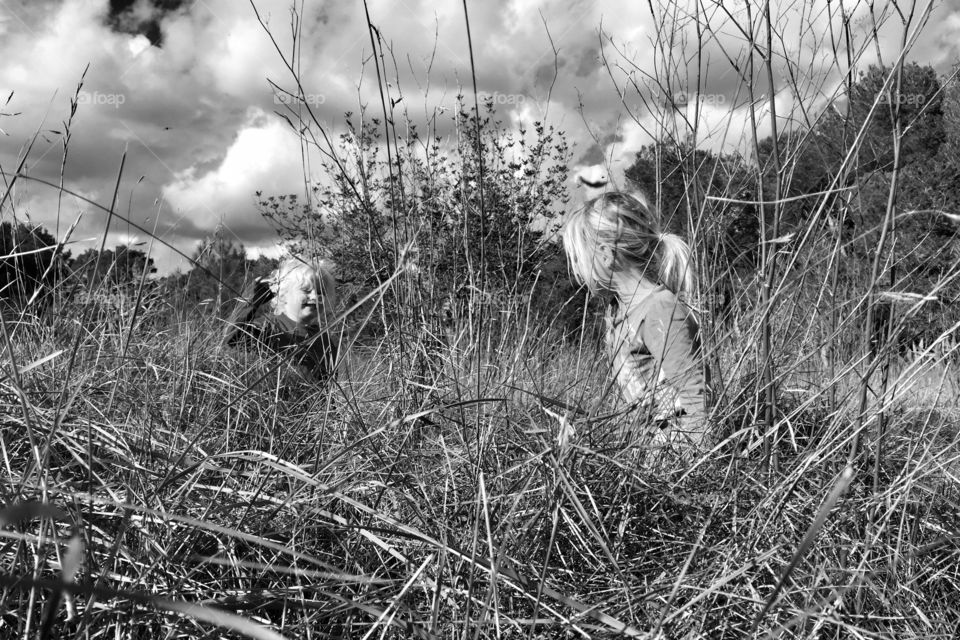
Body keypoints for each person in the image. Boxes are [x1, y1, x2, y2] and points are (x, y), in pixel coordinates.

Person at [562, 190, 710, 448]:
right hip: (643, 457)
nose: (577, 271)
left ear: (606, 254)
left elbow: (697, 398)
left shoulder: (660, 309)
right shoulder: (618, 313)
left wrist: (697, 469)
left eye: (579, 259)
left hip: (674, 458)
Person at [227, 258, 339, 384]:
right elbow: (230, 339)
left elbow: (328, 391)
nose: (314, 297)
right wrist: (252, 300)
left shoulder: (326, 342)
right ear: (283, 294)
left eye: (321, 292)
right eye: (306, 290)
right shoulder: (265, 327)